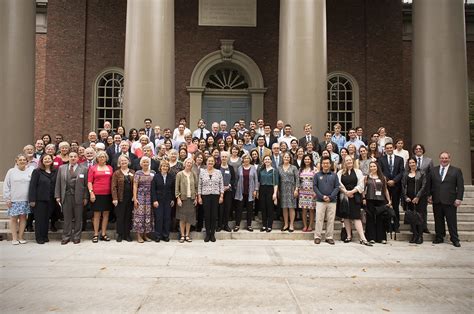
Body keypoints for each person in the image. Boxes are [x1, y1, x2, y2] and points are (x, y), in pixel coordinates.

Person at [428, 151, 464, 247]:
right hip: (437, 200)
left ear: (449, 159)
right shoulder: (433, 170)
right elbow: (430, 185)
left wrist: (459, 198)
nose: (444, 160)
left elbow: (460, 186)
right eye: (442, 158)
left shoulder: (456, 170)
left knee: (451, 221)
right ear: (439, 159)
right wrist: (429, 195)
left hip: (450, 200)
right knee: (438, 220)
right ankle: (439, 237)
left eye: (446, 158)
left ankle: (455, 239)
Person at [54, 151, 88, 244]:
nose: (73, 158)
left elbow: (86, 185)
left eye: (75, 156)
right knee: (67, 218)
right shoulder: (62, 168)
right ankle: (66, 236)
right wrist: (57, 196)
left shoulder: (84, 169)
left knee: (78, 218)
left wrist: (85, 197)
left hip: (79, 197)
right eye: (71, 156)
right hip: (66, 196)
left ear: (78, 158)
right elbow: (58, 183)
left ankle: (77, 236)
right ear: (68, 158)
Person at [337, 156, 372, 246]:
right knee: (346, 217)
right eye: (346, 160)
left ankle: (363, 238)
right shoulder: (340, 172)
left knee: (356, 217)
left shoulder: (358, 172)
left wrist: (352, 191)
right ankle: (348, 236)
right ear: (344, 162)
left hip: (355, 196)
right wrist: (346, 192)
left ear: (352, 161)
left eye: (350, 160)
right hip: (344, 197)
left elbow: (361, 184)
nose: (348, 162)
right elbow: (338, 184)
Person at [3, 154, 34, 245]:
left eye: (24, 160)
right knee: (13, 219)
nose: (22, 161)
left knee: (23, 218)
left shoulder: (30, 171)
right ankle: (14, 238)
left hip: (25, 200)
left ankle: (21, 237)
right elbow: (6, 185)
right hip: (14, 200)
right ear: (16, 161)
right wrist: (7, 198)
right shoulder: (11, 171)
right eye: (20, 160)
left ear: (27, 161)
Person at [28, 154, 57, 244]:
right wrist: (32, 200)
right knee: (39, 219)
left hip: (51, 199)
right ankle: (39, 237)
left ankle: (45, 236)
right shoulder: (37, 171)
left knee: (46, 219)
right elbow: (32, 186)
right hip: (39, 199)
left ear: (52, 161)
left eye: (49, 159)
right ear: (42, 160)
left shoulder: (54, 171)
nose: (47, 160)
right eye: (45, 159)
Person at [363, 161, 392, 244]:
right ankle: (371, 237)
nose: (372, 168)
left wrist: (389, 200)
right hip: (370, 199)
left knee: (381, 219)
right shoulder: (366, 177)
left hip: (381, 200)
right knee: (370, 218)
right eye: (371, 166)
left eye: (374, 166)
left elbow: (385, 190)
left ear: (377, 167)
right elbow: (363, 189)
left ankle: (382, 238)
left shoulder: (383, 177)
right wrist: (363, 198)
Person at [87, 151, 113, 243]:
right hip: (96, 194)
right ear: (97, 159)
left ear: (106, 158)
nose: (102, 158)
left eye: (103, 157)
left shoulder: (110, 168)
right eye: (100, 157)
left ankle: (103, 234)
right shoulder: (93, 168)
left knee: (106, 214)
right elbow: (89, 182)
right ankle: (96, 234)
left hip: (108, 194)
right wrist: (91, 193)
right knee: (97, 215)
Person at [378, 142, 405, 232]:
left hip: (396, 186)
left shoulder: (400, 159)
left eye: (390, 148)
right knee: (386, 206)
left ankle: (396, 226)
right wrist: (388, 180)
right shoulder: (381, 159)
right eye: (387, 148)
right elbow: (380, 171)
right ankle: (387, 226)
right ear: (385, 149)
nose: (389, 149)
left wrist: (394, 181)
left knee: (396, 206)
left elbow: (401, 172)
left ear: (393, 148)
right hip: (385, 186)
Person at [313, 157, 340, 245]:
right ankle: (317, 236)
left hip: (332, 201)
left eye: (327, 163)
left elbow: (337, 187)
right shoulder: (317, 175)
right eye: (324, 163)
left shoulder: (334, 175)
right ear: (321, 164)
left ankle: (329, 237)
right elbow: (315, 187)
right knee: (319, 219)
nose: (325, 165)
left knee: (331, 220)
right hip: (320, 201)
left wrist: (331, 197)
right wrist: (322, 196)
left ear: (330, 164)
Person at [198, 156, 224, 242]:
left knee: (214, 215)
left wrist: (221, 196)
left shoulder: (218, 172)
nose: (210, 163)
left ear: (214, 162)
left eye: (212, 161)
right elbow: (199, 185)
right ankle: (207, 234)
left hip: (215, 196)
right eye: (209, 161)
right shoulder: (202, 172)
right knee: (207, 215)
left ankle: (212, 234)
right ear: (206, 162)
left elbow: (221, 184)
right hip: (205, 196)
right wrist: (199, 197)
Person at [401, 157, 427, 244]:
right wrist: (405, 197)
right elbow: (403, 186)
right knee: (412, 218)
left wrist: (418, 197)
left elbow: (424, 186)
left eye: (413, 162)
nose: (412, 164)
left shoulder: (422, 173)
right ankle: (414, 235)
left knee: (419, 218)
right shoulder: (406, 174)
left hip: (419, 199)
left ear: (416, 163)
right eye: (410, 163)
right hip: (409, 199)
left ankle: (420, 236)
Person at [111, 155, 135, 242]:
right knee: (120, 216)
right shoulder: (116, 173)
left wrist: (134, 196)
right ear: (119, 163)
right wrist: (115, 198)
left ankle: (127, 234)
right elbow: (113, 187)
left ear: (128, 162)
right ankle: (120, 234)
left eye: (125, 161)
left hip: (130, 198)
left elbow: (136, 185)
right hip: (120, 198)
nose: (124, 162)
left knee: (128, 216)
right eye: (122, 161)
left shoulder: (133, 172)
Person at [151, 160, 175, 243]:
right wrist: (154, 200)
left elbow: (173, 189)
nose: (165, 167)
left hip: (168, 200)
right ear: (160, 167)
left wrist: (172, 199)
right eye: (163, 166)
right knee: (159, 218)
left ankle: (165, 235)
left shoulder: (171, 177)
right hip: (158, 201)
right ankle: (158, 235)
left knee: (167, 218)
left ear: (168, 168)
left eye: (166, 166)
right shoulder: (156, 177)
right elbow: (153, 190)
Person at [133, 156, 155, 243]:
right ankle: (139, 236)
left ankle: (145, 235)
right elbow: (135, 185)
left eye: (147, 162)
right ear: (141, 164)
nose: (145, 163)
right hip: (140, 196)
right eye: (144, 162)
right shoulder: (138, 173)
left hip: (150, 197)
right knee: (140, 216)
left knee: (148, 216)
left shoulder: (153, 172)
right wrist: (135, 198)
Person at [412, 143, 434, 233]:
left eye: (420, 149)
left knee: (423, 209)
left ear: (423, 150)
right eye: (416, 149)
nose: (418, 150)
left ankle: (424, 226)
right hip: (413, 188)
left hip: (424, 189)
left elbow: (432, 175)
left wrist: (430, 192)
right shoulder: (411, 160)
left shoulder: (429, 161)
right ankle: (414, 226)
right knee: (413, 209)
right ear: (414, 151)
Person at [234, 153, 258, 232]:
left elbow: (256, 180)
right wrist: (236, 189)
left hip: (250, 192)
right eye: (245, 158)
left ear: (250, 159)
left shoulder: (253, 168)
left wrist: (255, 190)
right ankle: (237, 225)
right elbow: (237, 179)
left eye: (248, 158)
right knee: (239, 209)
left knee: (250, 209)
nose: (246, 160)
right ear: (243, 159)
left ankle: (249, 225)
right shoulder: (239, 168)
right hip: (241, 192)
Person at [175, 158, 198, 243]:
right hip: (182, 199)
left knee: (189, 218)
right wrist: (178, 198)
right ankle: (182, 235)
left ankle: (187, 235)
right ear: (185, 164)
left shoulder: (194, 174)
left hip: (191, 199)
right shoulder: (179, 174)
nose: (189, 164)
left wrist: (195, 197)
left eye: (191, 163)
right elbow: (177, 188)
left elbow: (196, 187)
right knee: (182, 218)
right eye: (188, 163)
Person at [278, 152, 300, 232]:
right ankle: (286, 224)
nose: (286, 158)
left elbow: (297, 179)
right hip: (282, 189)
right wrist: (278, 191)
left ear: (290, 159)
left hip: (292, 189)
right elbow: (278, 180)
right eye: (285, 157)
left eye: (288, 157)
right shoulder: (279, 167)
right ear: (282, 158)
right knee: (284, 207)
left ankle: (291, 225)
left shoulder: (294, 167)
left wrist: (296, 189)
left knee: (291, 207)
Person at [257, 155, 279, 232]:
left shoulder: (274, 171)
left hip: (270, 189)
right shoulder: (261, 170)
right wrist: (257, 191)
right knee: (263, 208)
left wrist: (275, 194)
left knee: (270, 208)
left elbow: (276, 183)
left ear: (271, 161)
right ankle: (264, 225)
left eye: (268, 159)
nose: (267, 160)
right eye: (265, 159)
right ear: (263, 161)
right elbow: (259, 182)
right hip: (262, 189)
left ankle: (269, 226)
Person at [218, 151, 236, 232]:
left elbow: (233, 179)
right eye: (222, 157)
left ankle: (226, 225)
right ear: (220, 157)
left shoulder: (231, 168)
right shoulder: (217, 167)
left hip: (228, 191)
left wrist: (228, 186)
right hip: (218, 192)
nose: (224, 158)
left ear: (228, 158)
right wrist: (221, 187)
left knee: (227, 208)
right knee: (219, 209)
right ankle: (219, 225)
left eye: (225, 157)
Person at [299, 154, 317, 232]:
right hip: (302, 192)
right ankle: (305, 225)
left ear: (311, 160)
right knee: (304, 210)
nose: (307, 161)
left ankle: (310, 226)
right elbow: (298, 181)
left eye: (308, 159)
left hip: (312, 192)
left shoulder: (315, 169)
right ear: (303, 160)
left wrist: (315, 191)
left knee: (311, 210)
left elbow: (317, 181)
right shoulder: (300, 169)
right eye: (305, 159)